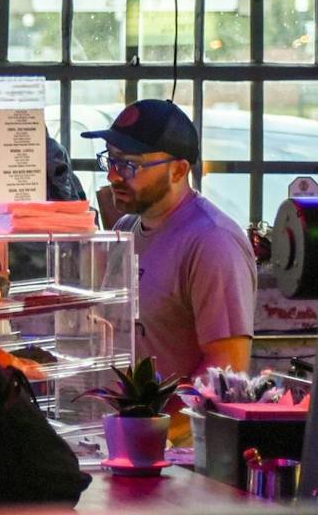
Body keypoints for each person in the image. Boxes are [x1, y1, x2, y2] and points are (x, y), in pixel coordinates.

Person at [81, 98, 256, 385]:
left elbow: (227, 367)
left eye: (129, 165)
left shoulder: (212, 242)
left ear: (178, 170)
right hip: (122, 425)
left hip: (174, 429)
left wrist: (158, 426)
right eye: (111, 159)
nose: (113, 176)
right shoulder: (126, 231)